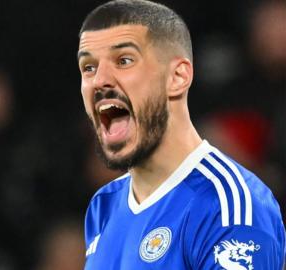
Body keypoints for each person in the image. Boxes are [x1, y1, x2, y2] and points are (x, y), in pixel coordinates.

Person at [76, 0, 285, 269]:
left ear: (177, 77)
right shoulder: (104, 204)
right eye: (89, 67)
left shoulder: (227, 204)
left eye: (124, 61)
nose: (99, 80)